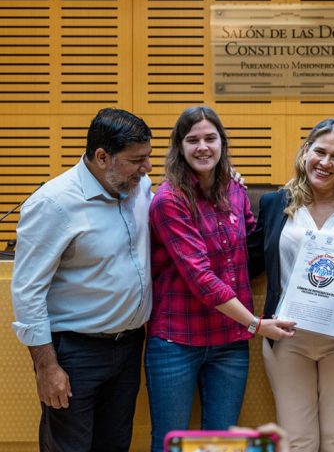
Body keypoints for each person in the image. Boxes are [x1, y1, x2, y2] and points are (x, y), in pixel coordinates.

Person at [145, 105, 295, 452]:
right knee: (169, 444)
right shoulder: (169, 200)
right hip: (176, 340)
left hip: (229, 342)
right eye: (192, 140)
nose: (203, 147)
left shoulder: (235, 191)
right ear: (179, 146)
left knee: (221, 445)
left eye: (210, 138)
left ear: (222, 143)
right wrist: (256, 323)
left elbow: (254, 246)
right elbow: (201, 278)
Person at [10, 107, 153, 451]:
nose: (147, 168)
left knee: (115, 445)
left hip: (129, 347)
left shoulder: (139, 187)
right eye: (137, 160)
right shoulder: (54, 204)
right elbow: (28, 291)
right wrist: (46, 367)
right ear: (102, 157)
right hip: (75, 354)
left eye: (147, 157)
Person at [247, 118, 334, 452]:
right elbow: (248, 262)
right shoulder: (275, 204)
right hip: (287, 337)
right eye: (319, 151)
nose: (325, 162)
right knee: (297, 441)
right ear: (305, 152)